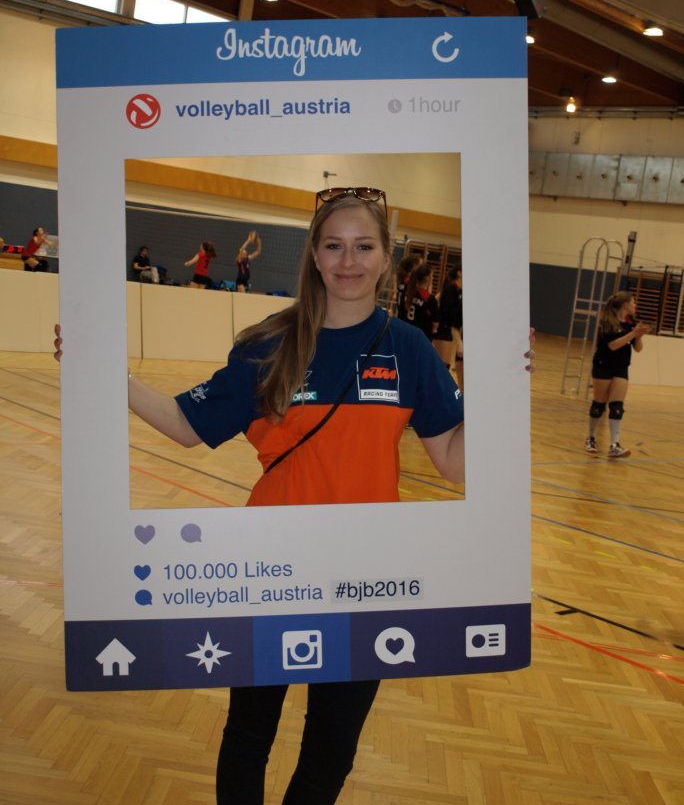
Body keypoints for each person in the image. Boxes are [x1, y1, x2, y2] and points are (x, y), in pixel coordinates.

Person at [54, 186, 534, 804]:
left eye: (364, 246)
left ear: (386, 256)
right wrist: (106, 373)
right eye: (333, 246)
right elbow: (185, 425)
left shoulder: (408, 347)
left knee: (332, 749)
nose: (348, 261)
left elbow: (454, 463)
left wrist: (503, 388)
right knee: (249, 734)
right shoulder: (269, 344)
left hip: (368, 577)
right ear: (313, 254)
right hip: (271, 570)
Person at [585, 290, 650, 458]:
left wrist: (639, 337)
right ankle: (591, 438)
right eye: (633, 302)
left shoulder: (630, 323)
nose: (635, 305)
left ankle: (614, 445)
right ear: (625, 304)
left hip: (621, 368)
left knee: (617, 407)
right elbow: (613, 346)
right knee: (599, 405)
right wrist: (633, 333)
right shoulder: (607, 323)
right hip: (603, 366)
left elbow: (638, 348)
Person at [433, 265, 463, 373]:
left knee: (444, 366)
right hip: (443, 329)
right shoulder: (451, 289)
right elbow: (447, 312)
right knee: (441, 367)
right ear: (459, 273)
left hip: (449, 330)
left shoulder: (458, 290)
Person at [403, 262, 439, 342]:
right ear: (427, 278)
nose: (432, 278)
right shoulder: (429, 298)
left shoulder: (408, 293)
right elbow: (435, 323)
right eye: (432, 276)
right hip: (422, 338)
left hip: (406, 334)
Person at [394, 253, 422, 321]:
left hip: (402, 315)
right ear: (414, 266)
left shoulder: (403, 278)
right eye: (421, 265)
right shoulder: (409, 281)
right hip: (406, 317)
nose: (422, 268)